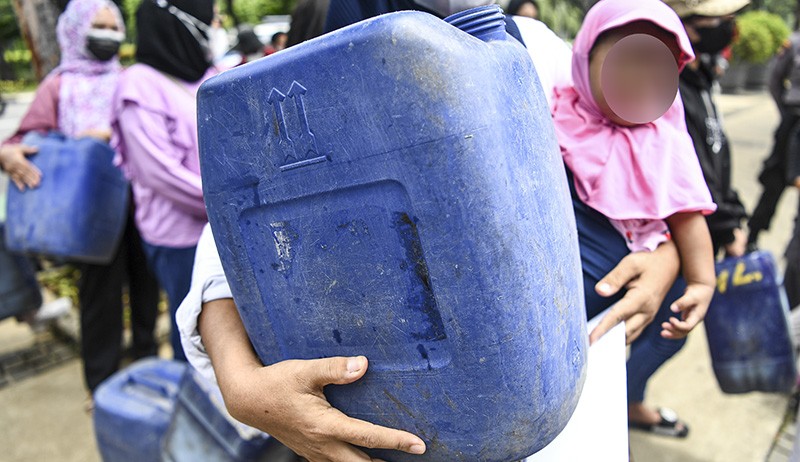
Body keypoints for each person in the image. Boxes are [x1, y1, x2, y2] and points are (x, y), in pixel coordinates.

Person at [555, 0, 718, 437]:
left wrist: (702, 282)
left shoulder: (664, 140)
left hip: (626, 284)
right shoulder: (557, 112)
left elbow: (689, 218)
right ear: (586, 57)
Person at [0, 0, 161, 395]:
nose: (108, 35)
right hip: (88, 214)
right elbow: (22, 139)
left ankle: (147, 367)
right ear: (74, 31)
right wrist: (9, 154)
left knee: (146, 288)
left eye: (113, 26)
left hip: (141, 205)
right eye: (98, 26)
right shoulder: (59, 85)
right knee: (99, 298)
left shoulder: (130, 79)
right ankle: (102, 384)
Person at [112, 0, 216, 362]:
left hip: (224, 227)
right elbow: (160, 173)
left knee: (230, 326)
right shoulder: (138, 85)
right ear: (179, 23)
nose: (214, 24)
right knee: (194, 328)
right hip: (179, 236)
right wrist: (228, 203)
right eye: (207, 18)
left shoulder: (209, 72)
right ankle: (195, 405)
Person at [666, 0, 750, 258]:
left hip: (713, 231)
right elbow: (692, 168)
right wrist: (728, 228)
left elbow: (716, 154)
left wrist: (733, 211)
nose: (729, 26)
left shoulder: (702, 78)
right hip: (690, 241)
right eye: (719, 19)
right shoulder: (670, 87)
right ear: (688, 27)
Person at [748, 29, 800, 249]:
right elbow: (775, 79)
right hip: (793, 119)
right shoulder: (795, 43)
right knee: (774, 181)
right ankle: (752, 237)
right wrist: (785, 111)